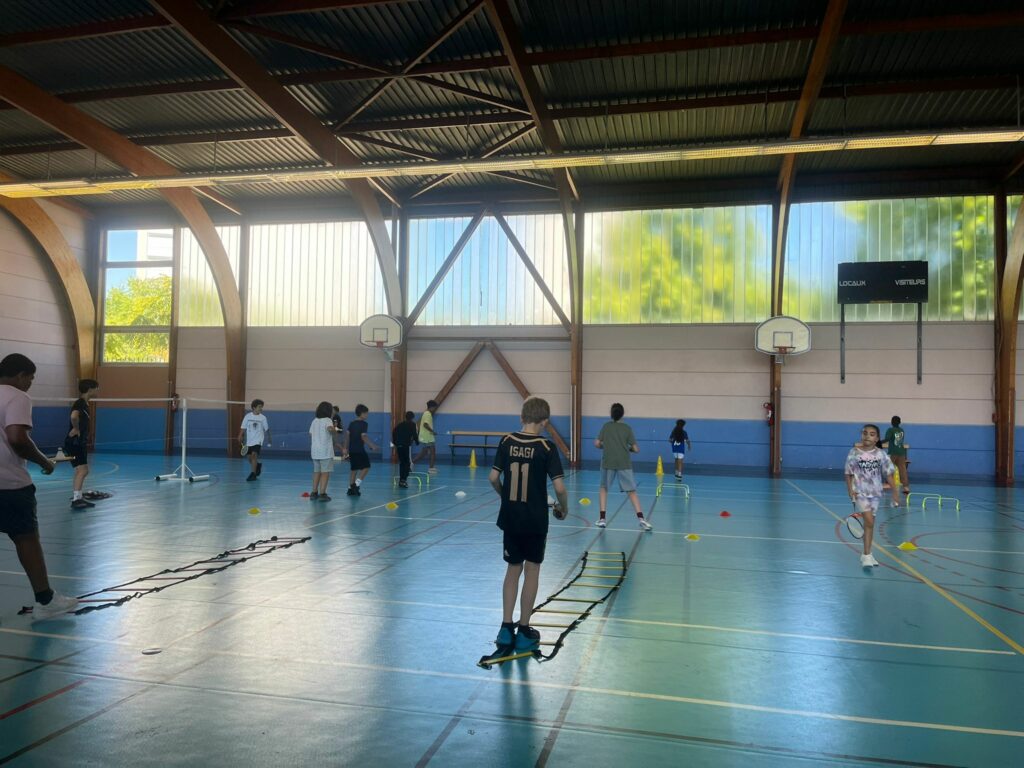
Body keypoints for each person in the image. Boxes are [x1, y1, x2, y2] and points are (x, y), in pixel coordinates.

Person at [0, 353, 78, 619]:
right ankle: (45, 601)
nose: (30, 384)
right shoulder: (17, 397)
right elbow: (17, 438)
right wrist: (45, 461)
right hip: (9, 485)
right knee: (26, 539)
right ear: (20, 375)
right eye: (30, 378)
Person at [489, 397, 568, 652]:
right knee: (532, 570)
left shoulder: (506, 441)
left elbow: (493, 477)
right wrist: (563, 507)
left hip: (511, 518)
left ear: (522, 417)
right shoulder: (546, 447)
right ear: (545, 422)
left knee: (513, 569)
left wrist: (505, 496)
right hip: (535, 520)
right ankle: (523, 629)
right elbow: (559, 487)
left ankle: (505, 628)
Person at [845, 424, 899, 568]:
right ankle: (867, 555)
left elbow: (889, 474)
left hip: (875, 494)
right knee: (868, 521)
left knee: (870, 525)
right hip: (860, 492)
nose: (867, 436)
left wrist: (895, 493)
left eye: (871, 434)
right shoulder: (854, 452)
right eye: (865, 433)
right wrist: (850, 490)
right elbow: (848, 473)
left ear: (877, 438)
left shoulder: (881, 454)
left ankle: (867, 554)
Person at [595, 403, 652, 531]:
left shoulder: (606, 426)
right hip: (624, 463)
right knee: (631, 491)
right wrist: (627, 448)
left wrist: (605, 446)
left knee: (604, 488)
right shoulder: (627, 428)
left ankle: (602, 519)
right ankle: (641, 519)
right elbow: (636, 449)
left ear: (611, 414)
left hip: (608, 462)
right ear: (622, 414)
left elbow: (597, 443)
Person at [65, 378, 98, 510]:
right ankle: (77, 500)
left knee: (80, 470)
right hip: (75, 442)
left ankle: (77, 497)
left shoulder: (85, 403)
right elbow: (74, 416)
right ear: (90, 389)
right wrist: (76, 428)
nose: (98, 391)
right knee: (83, 470)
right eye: (96, 388)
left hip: (77, 442)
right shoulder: (80, 403)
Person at [309, 401, 339, 501]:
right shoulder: (328, 420)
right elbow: (330, 429)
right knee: (325, 473)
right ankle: (322, 494)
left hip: (315, 452)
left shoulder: (314, 421)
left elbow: (310, 434)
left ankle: (314, 493)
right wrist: (334, 431)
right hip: (325, 452)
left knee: (316, 472)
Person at [346, 404, 378, 496]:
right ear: (362, 413)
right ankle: (356, 485)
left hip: (352, 450)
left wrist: (345, 448)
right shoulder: (364, 424)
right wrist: (372, 445)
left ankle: (350, 488)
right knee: (367, 466)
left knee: (354, 469)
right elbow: (363, 437)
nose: (367, 415)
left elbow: (347, 436)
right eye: (366, 413)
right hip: (359, 450)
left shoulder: (351, 423)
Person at [238, 399, 271, 482]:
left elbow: (267, 429)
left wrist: (269, 438)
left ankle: (253, 474)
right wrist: (240, 435)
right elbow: (243, 427)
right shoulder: (247, 416)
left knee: (254, 455)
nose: (261, 408)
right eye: (259, 407)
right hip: (249, 441)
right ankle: (258, 465)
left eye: (261, 407)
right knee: (249, 458)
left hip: (258, 440)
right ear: (254, 407)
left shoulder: (263, 418)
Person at [882, 416, 910, 495]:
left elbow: (887, 439)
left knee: (888, 467)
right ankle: (906, 487)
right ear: (899, 422)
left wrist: (878, 442)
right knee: (902, 470)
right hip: (901, 452)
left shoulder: (890, 430)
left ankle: (888, 484)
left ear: (892, 422)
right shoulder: (901, 430)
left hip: (893, 452)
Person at [392, 411, 418, 488]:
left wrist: (395, 442)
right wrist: (417, 441)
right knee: (407, 463)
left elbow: (394, 432)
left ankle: (401, 480)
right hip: (405, 445)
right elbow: (414, 434)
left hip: (399, 446)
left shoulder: (400, 425)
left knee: (402, 463)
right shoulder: (412, 424)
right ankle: (403, 480)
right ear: (412, 417)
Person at [413, 399, 438, 474]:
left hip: (425, 436)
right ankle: (431, 469)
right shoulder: (428, 414)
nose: (435, 409)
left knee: (424, 453)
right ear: (432, 407)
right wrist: (432, 431)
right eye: (435, 408)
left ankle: (411, 463)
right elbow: (425, 425)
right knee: (433, 452)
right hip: (428, 437)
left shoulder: (425, 413)